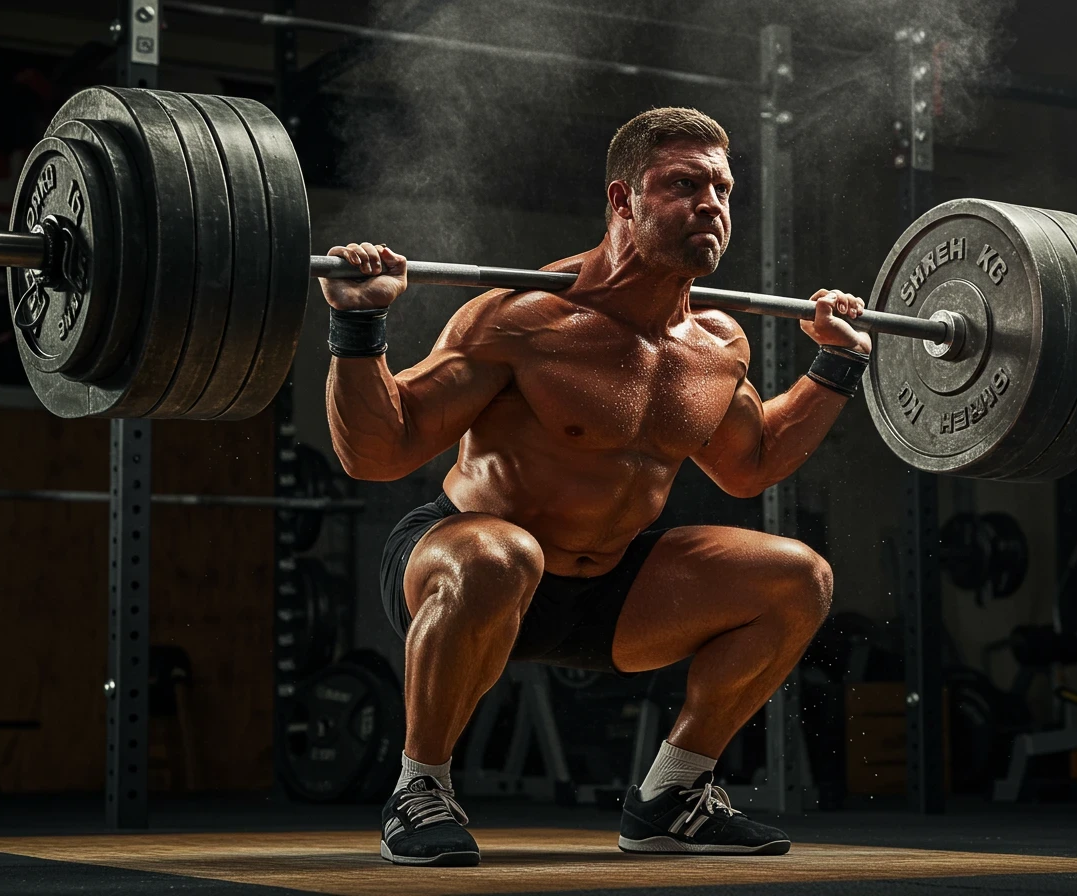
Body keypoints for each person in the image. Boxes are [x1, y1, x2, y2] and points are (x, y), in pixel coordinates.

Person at [321, 107, 871, 866]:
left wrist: (836, 368)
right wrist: (358, 328)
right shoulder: (524, 318)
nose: (711, 204)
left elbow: (752, 465)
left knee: (796, 578)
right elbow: (376, 452)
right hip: (463, 567)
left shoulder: (716, 345)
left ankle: (672, 796)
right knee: (502, 555)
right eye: (684, 184)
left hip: (604, 592)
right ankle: (420, 789)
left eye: (723, 188)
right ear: (623, 201)